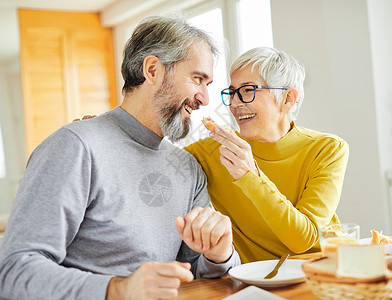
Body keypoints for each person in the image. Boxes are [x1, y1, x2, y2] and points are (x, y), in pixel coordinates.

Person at [0, 16, 240, 300]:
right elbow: (14, 272)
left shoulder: (188, 169)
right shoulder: (75, 147)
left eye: (208, 83)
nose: (205, 98)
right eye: (198, 79)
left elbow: (195, 275)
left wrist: (219, 253)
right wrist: (118, 289)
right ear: (152, 70)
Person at [185, 47, 349, 263]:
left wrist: (249, 175)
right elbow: (155, 159)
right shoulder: (217, 149)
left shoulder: (327, 149)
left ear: (288, 99)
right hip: (252, 285)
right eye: (232, 92)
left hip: (320, 277)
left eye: (247, 90)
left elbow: (303, 239)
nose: (234, 103)